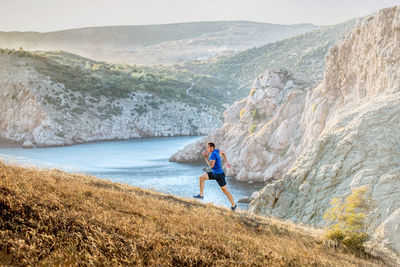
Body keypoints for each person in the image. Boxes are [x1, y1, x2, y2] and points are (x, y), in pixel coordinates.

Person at [193, 142, 237, 211]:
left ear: (211, 147)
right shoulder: (216, 151)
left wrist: (206, 158)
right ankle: (201, 195)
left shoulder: (213, 154)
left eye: (207, 147)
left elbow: (211, 165)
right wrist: (226, 162)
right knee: (201, 178)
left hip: (219, 175)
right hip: (214, 173)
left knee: (225, 191)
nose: (206, 149)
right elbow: (223, 153)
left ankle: (234, 205)